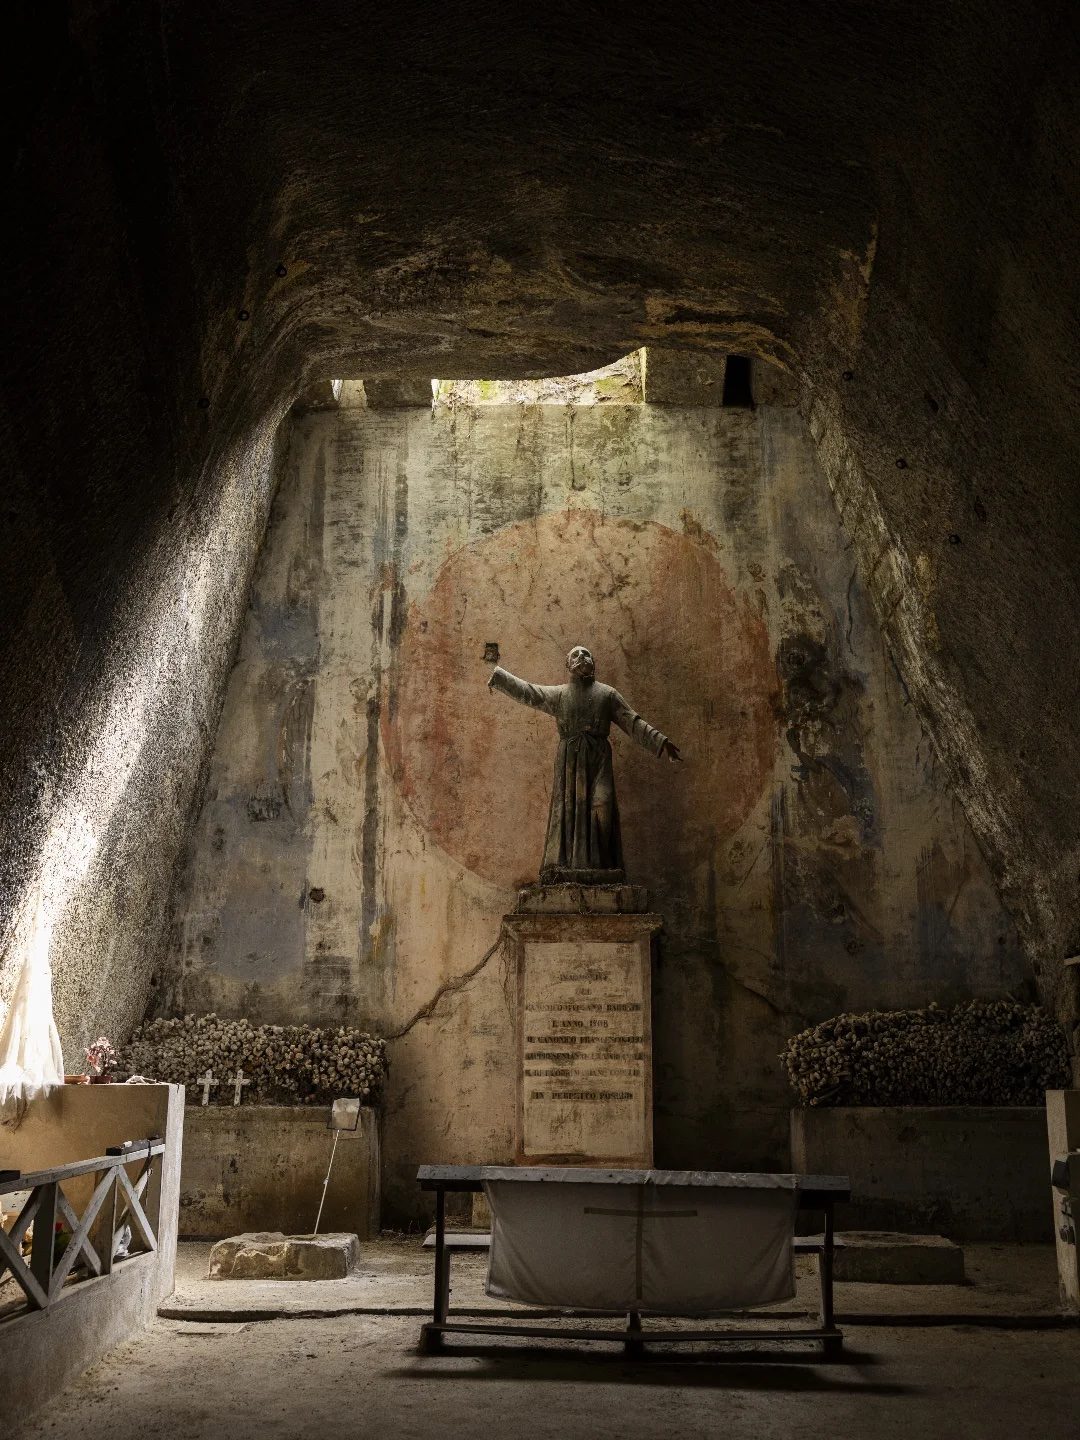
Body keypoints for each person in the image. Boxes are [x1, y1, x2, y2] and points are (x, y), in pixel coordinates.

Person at [488, 646, 681, 882]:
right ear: (568, 665)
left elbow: (632, 721)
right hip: (571, 760)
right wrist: (500, 677)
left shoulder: (607, 694)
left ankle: (601, 865)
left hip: (598, 758)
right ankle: (573, 867)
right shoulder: (560, 694)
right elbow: (530, 693)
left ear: (593, 664)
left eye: (586, 654)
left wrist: (661, 742)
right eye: (576, 655)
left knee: (603, 807)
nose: (582, 657)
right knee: (569, 811)